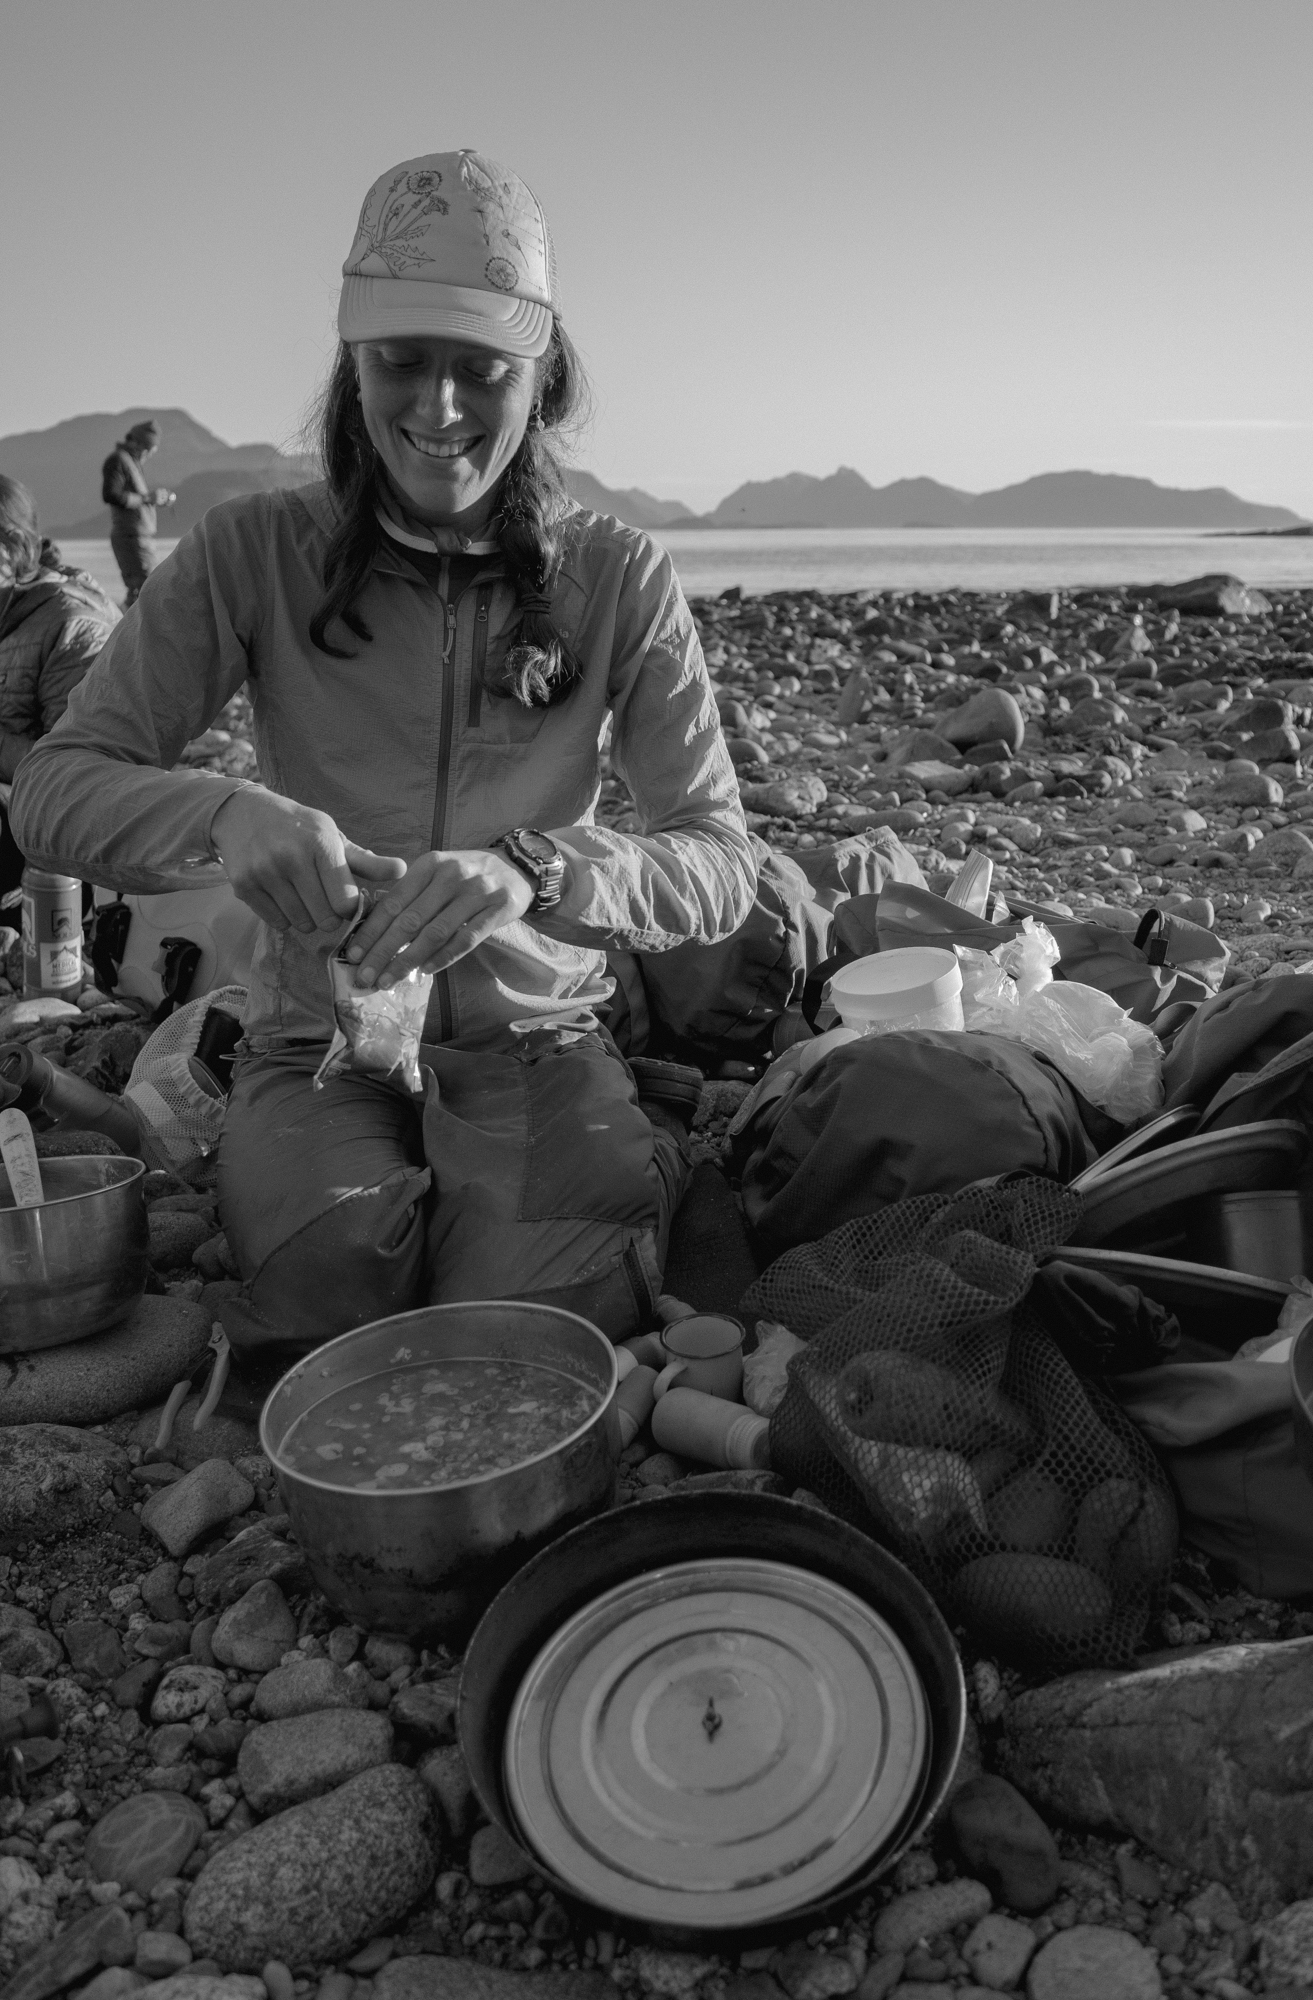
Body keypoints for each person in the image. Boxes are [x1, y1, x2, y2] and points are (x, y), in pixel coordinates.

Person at [13, 150, 756, 1353]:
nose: (440, 409)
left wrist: (538, 867)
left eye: (482, 370)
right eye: (402, 361)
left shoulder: (617, 575)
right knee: (329, 1297)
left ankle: (595, 1159)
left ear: (544, 373)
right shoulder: (250, 551)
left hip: (535, 1033)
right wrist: (226, 816)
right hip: (316, 1038)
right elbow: (52, 790)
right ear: (349, 364)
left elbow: (718, 858)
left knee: (533, 1322)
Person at [0, 477, 119, 898]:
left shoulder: (72, 625)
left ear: (13, 547)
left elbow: (73, 776)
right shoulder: (7, 606)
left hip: (53, 856)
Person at [101, 419, 175, 605]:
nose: (148, 455)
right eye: (147, 450)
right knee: (146, 589)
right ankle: (134, 631)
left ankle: (130, 628)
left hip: (140, 538)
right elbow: (111, 495)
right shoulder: (117, 460)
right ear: (136, 443)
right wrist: (147, 498)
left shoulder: (131, 462)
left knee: (143, 589)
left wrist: (152, 500)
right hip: (130, 538)